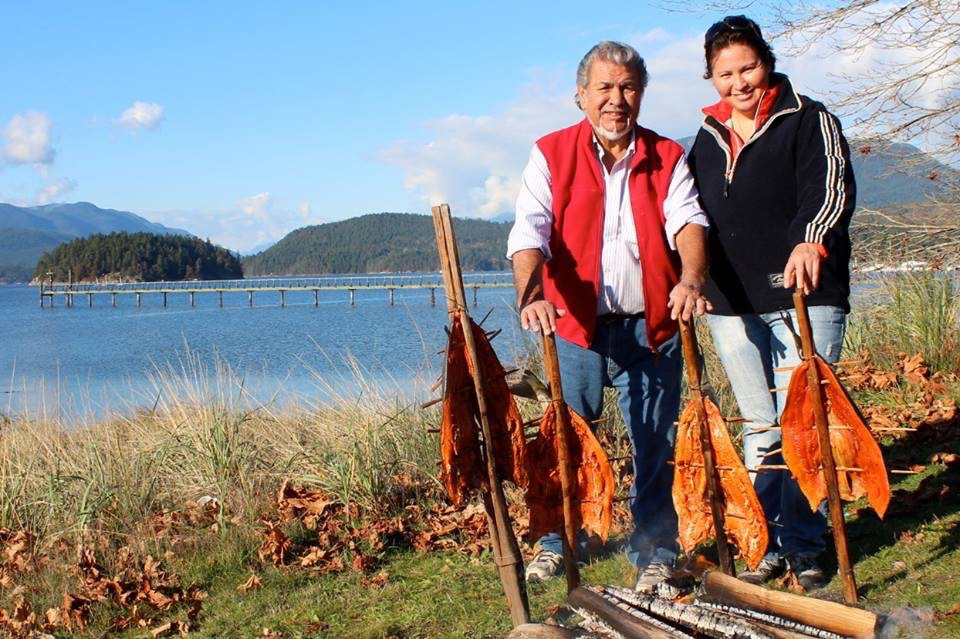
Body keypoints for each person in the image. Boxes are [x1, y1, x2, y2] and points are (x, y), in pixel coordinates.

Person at [507, 41, 711, 591]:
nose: (616, 100)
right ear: (581, 96)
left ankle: (655, 549)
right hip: (576, 328)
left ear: (640, 94)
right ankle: (559, 540)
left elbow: (687, 221)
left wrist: (691, 278)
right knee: (569, 440)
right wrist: (531, 296)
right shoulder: (550, 152)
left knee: (655, 441)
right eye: (605, 88)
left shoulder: (667, 155)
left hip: (652, 325)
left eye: (627, 88)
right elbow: (530, 231)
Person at [687, 16, 856, 592]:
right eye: (724, 74)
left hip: (803, 296)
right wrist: (690, 280)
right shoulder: (705, 140)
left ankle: (807, 546)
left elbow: (828, 187)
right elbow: (692, 219)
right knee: (760, 428)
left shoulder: (809, 118)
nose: (739, 83)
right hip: (732, 307)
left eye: (748, 68)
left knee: (802, 426)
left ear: (769, 62)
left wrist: (811, 236)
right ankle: (770, 544)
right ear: (710, 77)